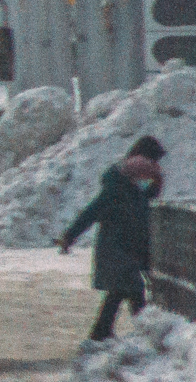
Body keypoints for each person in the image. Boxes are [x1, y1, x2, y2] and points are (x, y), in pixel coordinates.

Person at [61, 136, 166, 343]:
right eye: (151, 163)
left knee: (119, 293)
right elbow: (90, 213)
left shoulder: (131, 188)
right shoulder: (115, 189)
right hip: (116, 251)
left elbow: (144, 202)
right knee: (132, 290)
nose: (154, 168)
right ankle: (145, 336)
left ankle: (102, 334)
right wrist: (69, 236)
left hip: (127, 251)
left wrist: (156, 186)